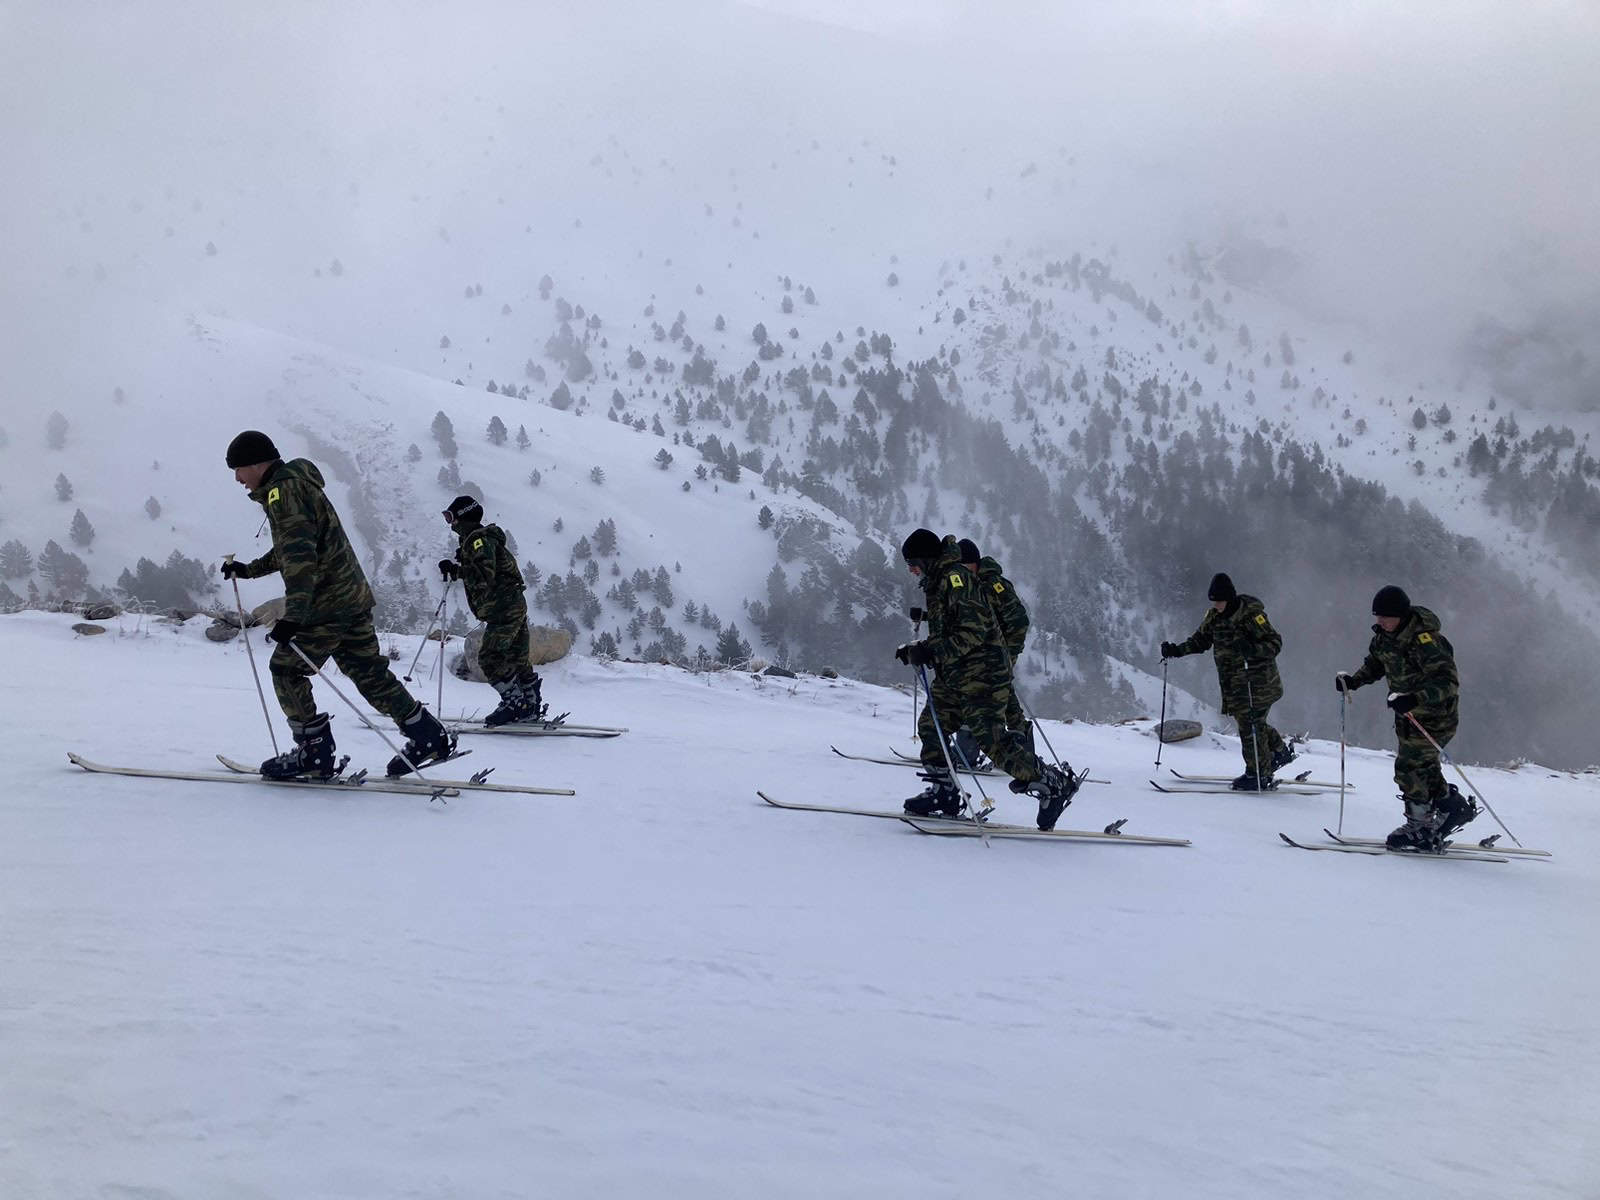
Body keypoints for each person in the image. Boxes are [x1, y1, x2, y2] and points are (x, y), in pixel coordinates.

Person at [220, 430, 455, 779]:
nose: (238, 479)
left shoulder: (282, 492)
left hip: (327, 603)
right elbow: (296, 548)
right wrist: (249, 570)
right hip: (351, 597)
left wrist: (294, 616)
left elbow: (301, 558)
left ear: (257, 463)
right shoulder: (297, 485)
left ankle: (313, 753)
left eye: (238, 469)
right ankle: (427, 736)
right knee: (369, 673)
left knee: (286, 669)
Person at [896, 528, 1078, 830]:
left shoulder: (957, 580)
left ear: (927, 559)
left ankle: (1053, 784)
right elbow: (951, 626)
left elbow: (973, 630)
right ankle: (945, 794)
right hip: (956, 674)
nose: (911, 570)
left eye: (913, 562)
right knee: (932, 726)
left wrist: (930, 651)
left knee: (992, 741)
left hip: (983, 674)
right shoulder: (941, 581)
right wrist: (918, 650)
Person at [1335, 585, 1476, 850]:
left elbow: (1448, 683)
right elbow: (1376, 665)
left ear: (1401, 615)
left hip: (1436, 717)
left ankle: (1420, 826)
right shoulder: (1384, 638)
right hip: (1408, 716)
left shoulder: (1426, 641)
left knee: (1410, 767)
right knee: (1423, 767)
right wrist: (1353, 681)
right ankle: (1451, 808)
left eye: (1386, 617)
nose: (1380, 622)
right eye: (1377, 617)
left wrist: (1416, 698)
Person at [1160, 573, 1291, 790]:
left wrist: (1253, 650)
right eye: (1214, 602)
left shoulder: (1251, 616)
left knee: (1250, 727)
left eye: (1219, 602)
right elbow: (1200, 641)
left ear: (1229, 599)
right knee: (1252, 724)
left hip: (1258, 684)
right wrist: (1175, 650)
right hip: (1235, 686)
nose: (1217, 606)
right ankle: (1279, 752)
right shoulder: (1214, 618)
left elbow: (1275, 643)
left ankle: (1258, 774)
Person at [437, 494, 543, 726]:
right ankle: (529, 704)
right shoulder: (482, 540)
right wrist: (465, 562)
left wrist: (458, 570)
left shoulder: (479, 542)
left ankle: (513, 703)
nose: (450, 523)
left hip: (503, 608)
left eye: (451, 517)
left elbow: (485, 575)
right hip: (512, 604)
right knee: (517, 657)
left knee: (489, 657)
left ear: (464, 518)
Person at [958, 537, 1032, 752]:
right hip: (985, 650)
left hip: (1001, 649)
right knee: (1003, 690)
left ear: (975, 563)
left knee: (982, 692)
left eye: (964, 565)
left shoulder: (993, 585)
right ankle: (1021, 745)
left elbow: (1019, 620)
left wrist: (1009, 651)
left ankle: (970, 748)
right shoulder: (971, 583)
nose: (961, 570)